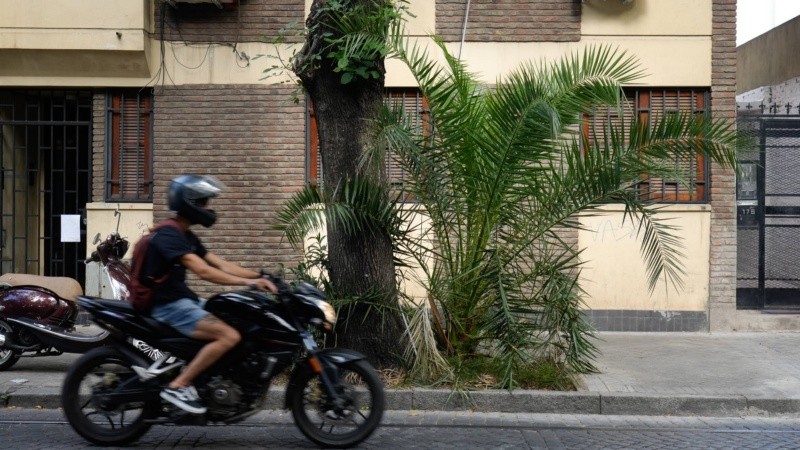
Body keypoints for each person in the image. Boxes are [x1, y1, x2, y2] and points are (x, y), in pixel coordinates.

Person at [144, 174, 276, 414]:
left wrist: (260, 276)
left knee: (238, 320)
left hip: (183, 300)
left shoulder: (185, 235)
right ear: (190, 203)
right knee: (228, 336)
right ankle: (179, 385)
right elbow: (204, 272)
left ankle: (210, 376)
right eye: (205, 202)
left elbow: (221, 265)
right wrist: (249, 282)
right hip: (167, 305)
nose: (209, 208)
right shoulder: (169, 235)